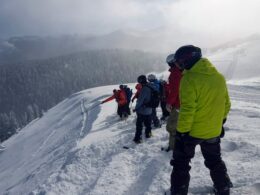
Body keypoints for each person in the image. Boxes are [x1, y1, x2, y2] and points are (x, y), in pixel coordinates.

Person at [168, 45, 232, 195]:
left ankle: (179, 191)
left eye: (179, 63)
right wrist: (220, 122)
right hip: (213, 132)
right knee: (215, 161)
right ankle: (223, 188)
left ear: (186, 60)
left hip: (192, 133)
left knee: (181, 163)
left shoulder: (189, 79)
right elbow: (226, 104)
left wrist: (182, 132)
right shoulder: (219, 77)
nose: (179, 66)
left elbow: (188, 109)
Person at [165, 54, 183, 152]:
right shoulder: (182, 71)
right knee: (178, 126)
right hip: (182, 103)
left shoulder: (175, 73)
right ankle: (176, 145)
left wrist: (169, 103)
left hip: (177, 104)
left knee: (172, 126)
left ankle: (173, 147)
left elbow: (175, 90)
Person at [132, 75, 153, 143]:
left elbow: (140, 100)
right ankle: (148, 134)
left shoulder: (144, 89)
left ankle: (138, 138)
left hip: (142, 110)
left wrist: (136, 108)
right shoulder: (151, 86)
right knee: (148, 124)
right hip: (150, 109)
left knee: (139, 125)